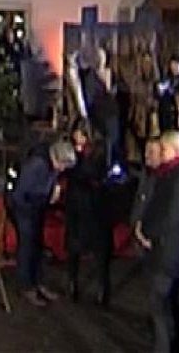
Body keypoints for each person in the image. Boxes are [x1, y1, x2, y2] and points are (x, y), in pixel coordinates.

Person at [135, 130, 179, 353]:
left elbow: (171, 214)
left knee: (159, 305)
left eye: (163, 149)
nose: (160, 153)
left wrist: (148, 233)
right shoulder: (171, 174)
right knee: (173, 302)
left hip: (168, 250)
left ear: (175, 150)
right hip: (167, 249)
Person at [8, 139, 76, 306]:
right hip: (24, 207)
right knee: (27, 246)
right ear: (55, 158)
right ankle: (26, 286)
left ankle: (38, 282)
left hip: (37, 206)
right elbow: (20, 193)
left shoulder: (53, 166)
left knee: (38, 245)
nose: (62, 170)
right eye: (62, 165)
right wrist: (38, 201)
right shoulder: (37, 165)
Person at [65, 120, 113, 307]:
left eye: (80, 134)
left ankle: (103, 288)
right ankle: (72, 283)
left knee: (100, 250)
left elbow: (95, 174)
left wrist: (79, 162)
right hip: (76, 205)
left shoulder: (100, 151)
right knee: (73, 246)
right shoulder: (71, 150)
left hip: (95, 206)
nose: (76, 138)